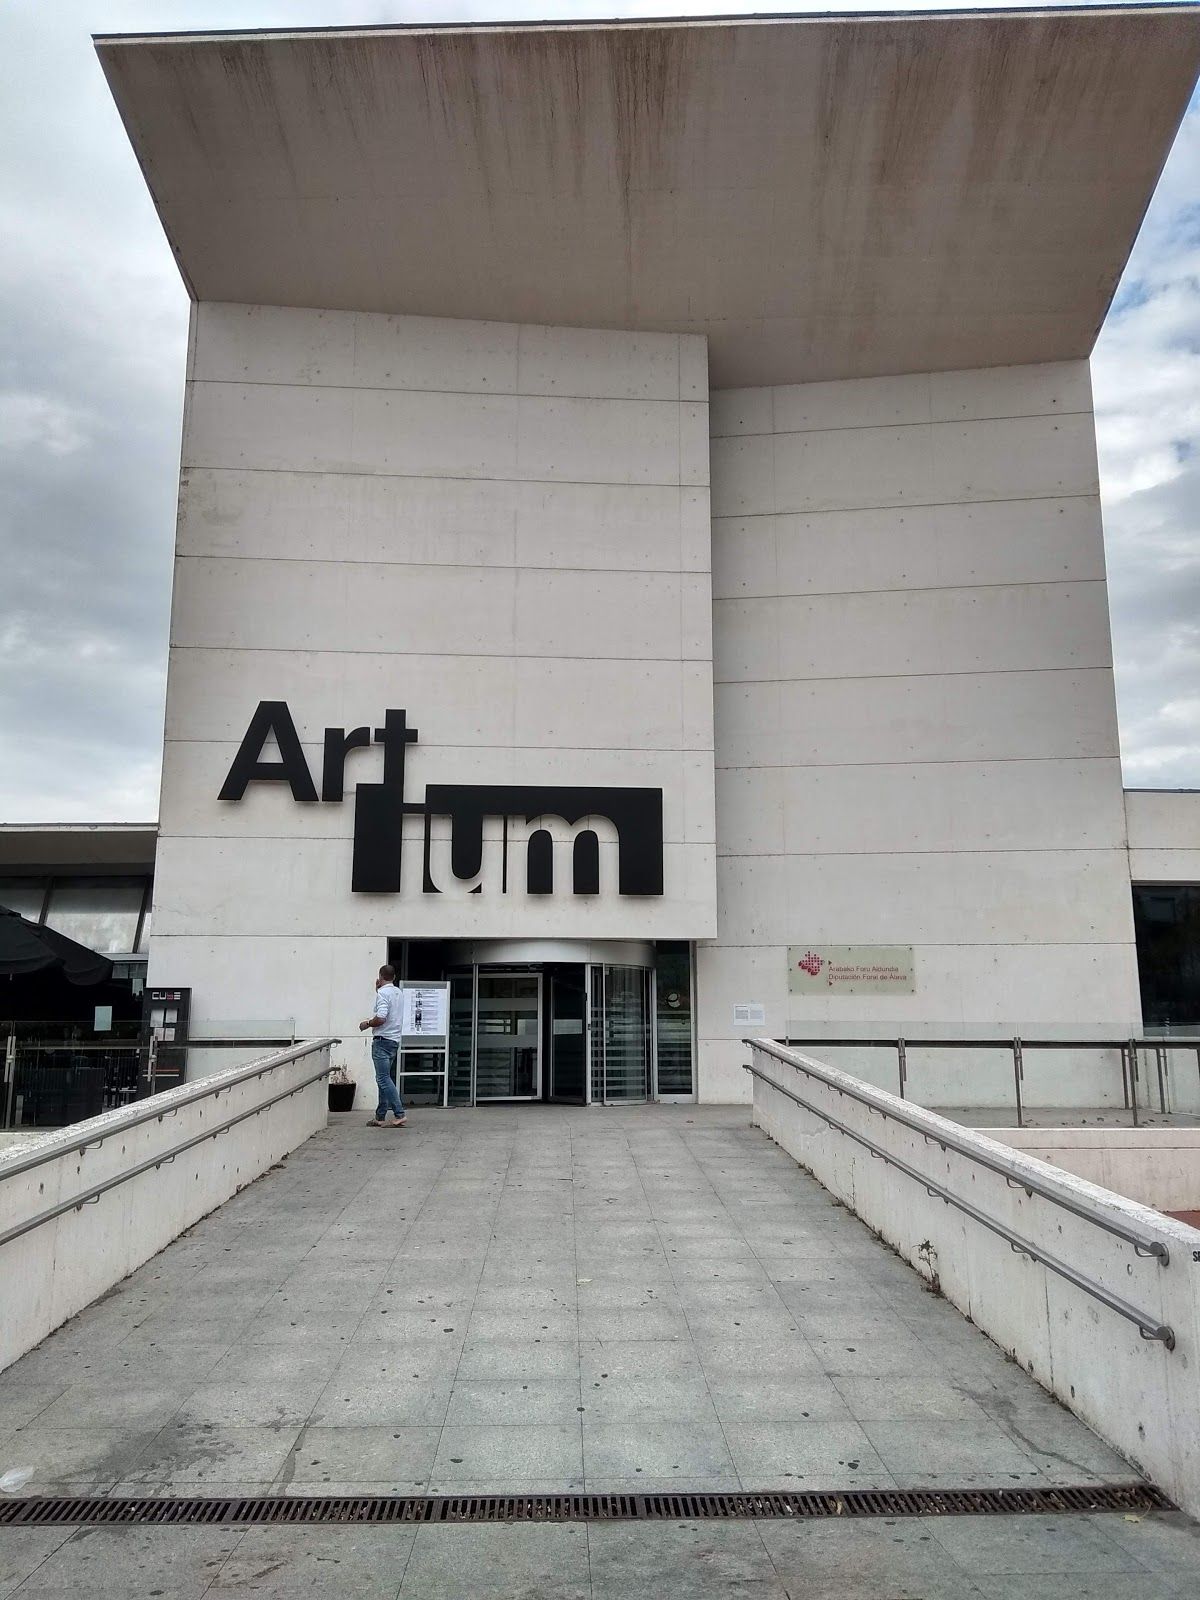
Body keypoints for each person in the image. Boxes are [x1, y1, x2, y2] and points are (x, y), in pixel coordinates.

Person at [358, 965, 407, 1127]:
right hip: (394, 1040)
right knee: (384, 1079)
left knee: (383, 1078)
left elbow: (381, 1017)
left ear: (380, 976)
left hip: (382, 1040)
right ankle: (380, 1116)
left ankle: (399, 1113)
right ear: (394, 977)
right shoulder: (398, 993)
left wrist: (367, 1024)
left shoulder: (383, 994)